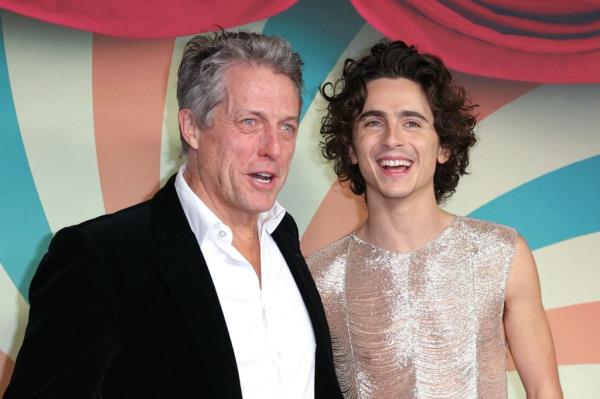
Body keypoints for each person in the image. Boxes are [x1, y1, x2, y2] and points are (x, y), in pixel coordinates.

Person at [5, 31, 342, 399]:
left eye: (286, 127)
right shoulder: (102, 257)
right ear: (192, 127)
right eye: (250, 122)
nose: (273, 148)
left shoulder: (283, 235)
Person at [307, 39, 562, 399]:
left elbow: (544, 390)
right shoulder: (317, 279)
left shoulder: (502, 255)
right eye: (373, 123)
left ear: (443, 146)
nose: (392, 139)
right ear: (350, 147)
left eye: (412, 122)